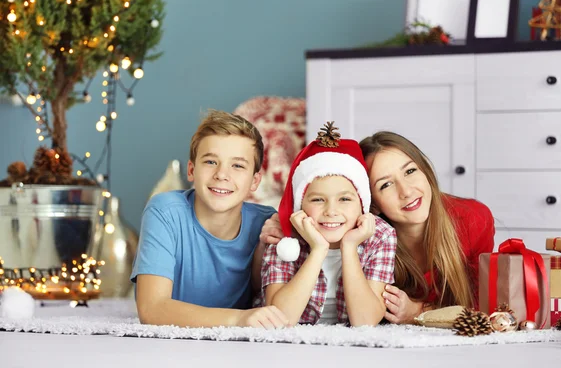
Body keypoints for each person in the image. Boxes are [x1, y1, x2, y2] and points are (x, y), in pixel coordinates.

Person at [260, 131, 494, 325]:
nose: (406, 191)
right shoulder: (367, 234)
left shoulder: (472, 219)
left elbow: (485, 310)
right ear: (372, 205)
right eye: (386, 185)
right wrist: (280, 220)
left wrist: (417, 312)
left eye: (410, 171)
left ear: (426, 171)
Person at [131, 110, 289, 329]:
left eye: (238, 165)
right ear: (191, 170)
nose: (222, 175)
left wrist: (261, 251)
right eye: (211, 162)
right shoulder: (165, 211)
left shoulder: (266, 222)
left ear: (255, 181)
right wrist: (238, 319)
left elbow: (263, 297)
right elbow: (152, 309)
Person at [259, 122, 396, 326]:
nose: (331, 211)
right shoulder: (284, 235)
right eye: (317, 200)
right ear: (300, 206)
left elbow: (365, 322)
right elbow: (280, 319)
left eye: (345, 199)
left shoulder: (380, 235)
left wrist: (349, 247)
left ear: (362, 205)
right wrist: (318, 250)